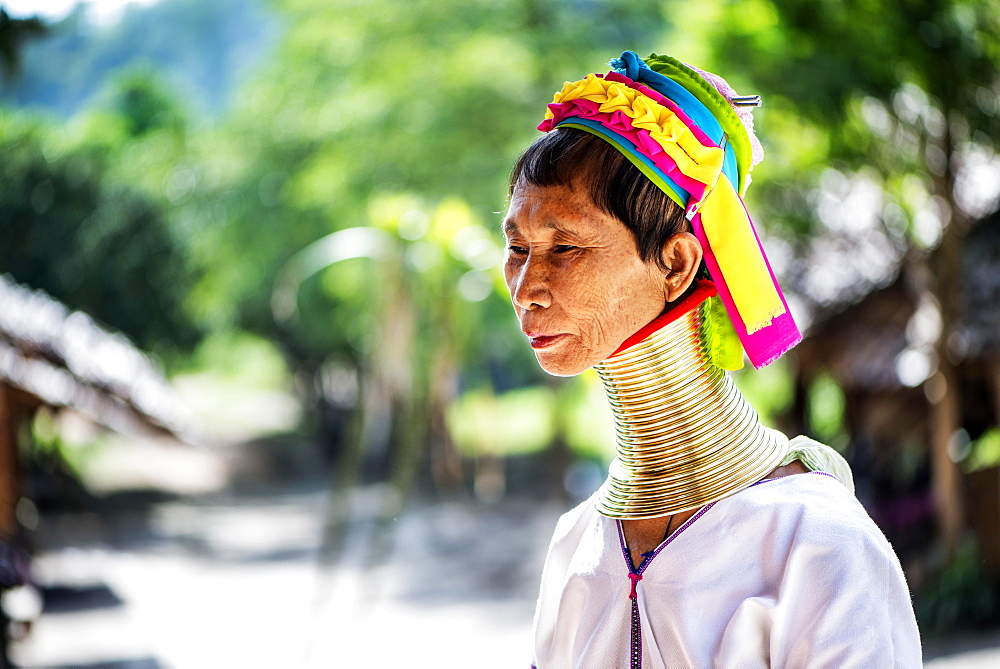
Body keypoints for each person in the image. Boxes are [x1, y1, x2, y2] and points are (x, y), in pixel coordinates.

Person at [502, 51, 922, 668]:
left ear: (674, 263)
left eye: (565, 246)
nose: (526, 285)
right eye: (516, 246)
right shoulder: (576, 545)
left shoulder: (813, 543)